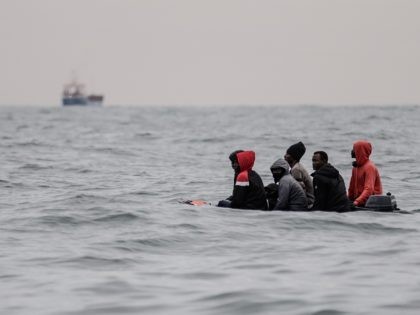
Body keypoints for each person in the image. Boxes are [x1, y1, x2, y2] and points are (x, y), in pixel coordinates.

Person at [348, 140, 382, 207]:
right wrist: (347, 200)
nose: (352, 151)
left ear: (360, 151)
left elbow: (369, 189)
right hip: (359, 201)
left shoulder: (369, 167)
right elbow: (351, 189)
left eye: (354, 149)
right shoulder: (355, 167)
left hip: (372, 202)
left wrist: (356, 202)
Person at [284, 141, 314, 208]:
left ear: (293, 156)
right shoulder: (296, 167)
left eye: (287, 154)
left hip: (308, 202)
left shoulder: (296, 169)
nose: (285, 156)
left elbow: (299, 190)